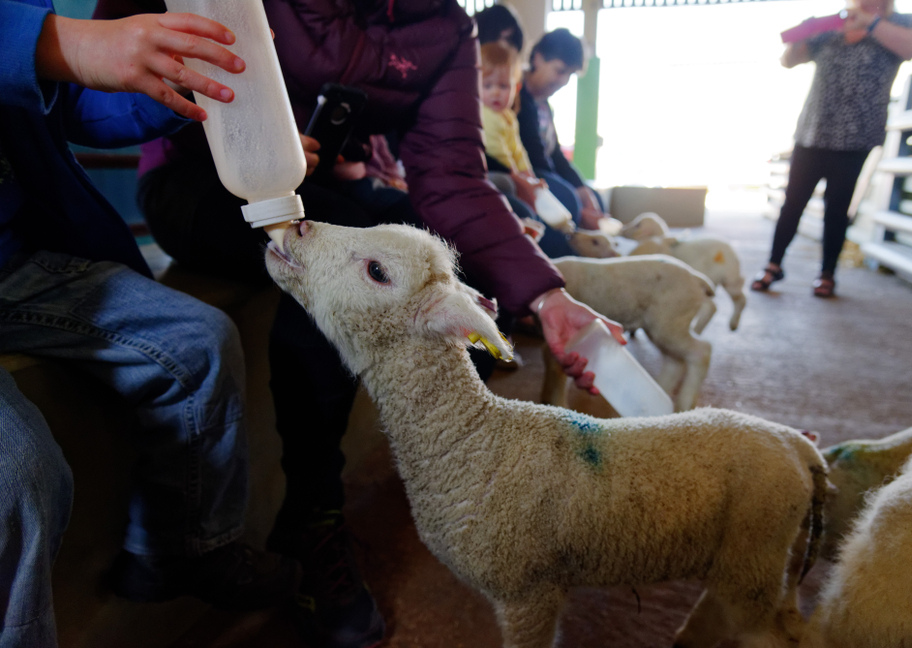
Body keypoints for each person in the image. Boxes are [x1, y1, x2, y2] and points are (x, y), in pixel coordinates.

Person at [94, 1, 629, 647]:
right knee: (343, 276)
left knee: (449, 255)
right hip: (200, 177)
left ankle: (442, 458)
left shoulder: (441, 24)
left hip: (328, 180)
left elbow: (451, 178)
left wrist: (545, 295)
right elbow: (124, 50)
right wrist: (250, 137)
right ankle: (313, 514)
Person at [0, 3, 301, 647]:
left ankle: (177, 550)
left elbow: (71, 106)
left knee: (202, 341)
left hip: (13, 259)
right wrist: (60, 42)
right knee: (21, 476)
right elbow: (59, 54)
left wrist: (176, 79)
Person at [751, 0, 912, 297]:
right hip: (813, 131)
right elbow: (788, 60)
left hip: (856, 135)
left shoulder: (901, 22)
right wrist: (804, 33)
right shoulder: (834, 24)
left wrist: (869, 22)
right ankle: (773, 265)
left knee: (837, 208)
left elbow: (911, 48)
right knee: (792, 203)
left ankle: (827, 273)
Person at [480, 40, 576, 259]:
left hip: (512, 172)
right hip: (492, 172)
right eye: (488, 86)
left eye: (503, 87)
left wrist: (529, 175)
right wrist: (519, 176)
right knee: (514, 194)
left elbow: (518, 151)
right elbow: (497, 153)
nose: (496, 93)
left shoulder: (508, 117)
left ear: (516, 88)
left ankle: (550, 255)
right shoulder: (484, 115)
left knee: (544, 202)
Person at [518, 28, 617, 232]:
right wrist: (575, 194)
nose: (563, 81)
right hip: (530, 175)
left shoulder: (544, 105)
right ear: (537, 59)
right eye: (560, 71)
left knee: (593, 196)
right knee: (568, 198)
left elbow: (556, 155)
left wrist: (582, 189)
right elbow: (536, 158)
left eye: (569, 75)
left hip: (546, 172)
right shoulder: (518, 96)